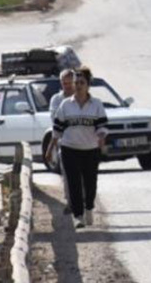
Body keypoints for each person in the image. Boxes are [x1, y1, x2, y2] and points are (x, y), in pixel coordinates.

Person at [51, 66, 108, 229]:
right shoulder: (65, 105)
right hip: (70, 149)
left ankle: (89, 207)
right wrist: (50, 150)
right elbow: (57, 129)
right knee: (74, 183)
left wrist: (102, 138)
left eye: (82, 82)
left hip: (90, 149)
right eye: (76, 82)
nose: (78, 85)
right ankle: (78, 216)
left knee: (90, 183)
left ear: (88, 84)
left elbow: (102, 125)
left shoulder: (96, 104)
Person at [46, 70, 76, 206]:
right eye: (64, 83)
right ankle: (71, 204)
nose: (67, 86)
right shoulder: (56, 99)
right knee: (68, 177)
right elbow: (56, 120)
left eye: (70, 83)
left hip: (84, 143)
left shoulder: (82, 97)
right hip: (64, 143)